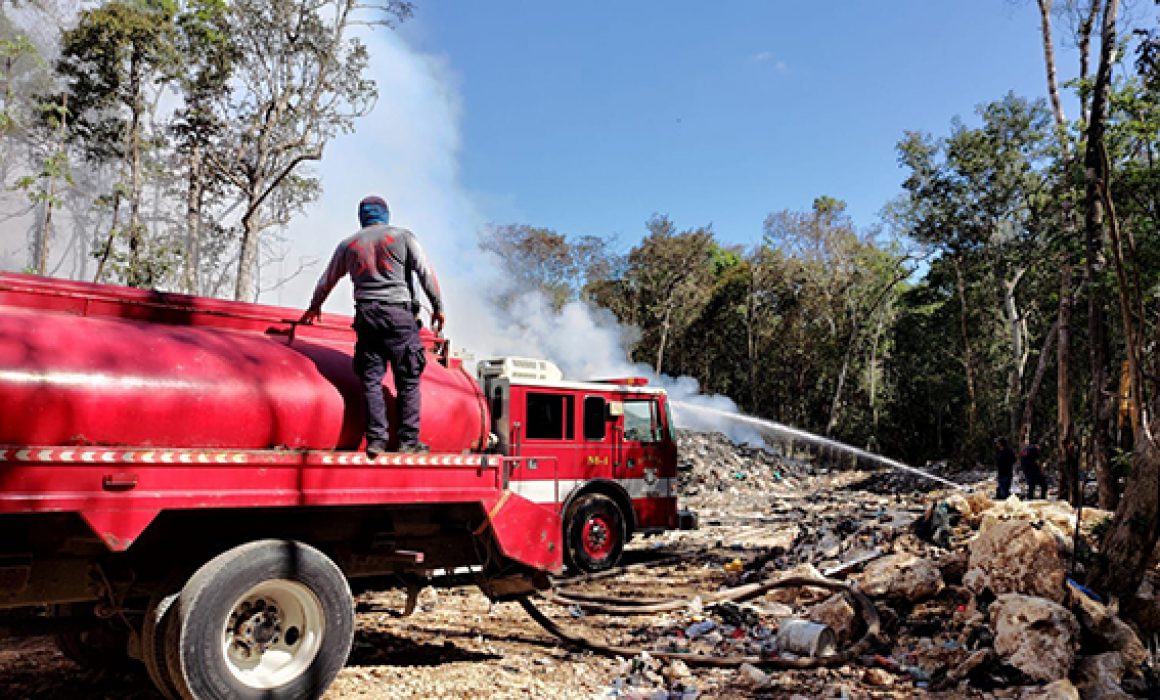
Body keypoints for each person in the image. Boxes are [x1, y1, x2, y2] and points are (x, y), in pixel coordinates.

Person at [300, 196, 445, 458]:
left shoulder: (349, 245)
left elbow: (327, 280)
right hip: (399, 316)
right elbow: (426, 273)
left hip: (367, 317)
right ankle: (407, 441)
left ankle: (376, 440)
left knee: (370, 379)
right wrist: (438, 307)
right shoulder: (403, 237)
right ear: (386, 215)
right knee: (409, 380)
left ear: (362, 217)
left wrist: (314, 306)